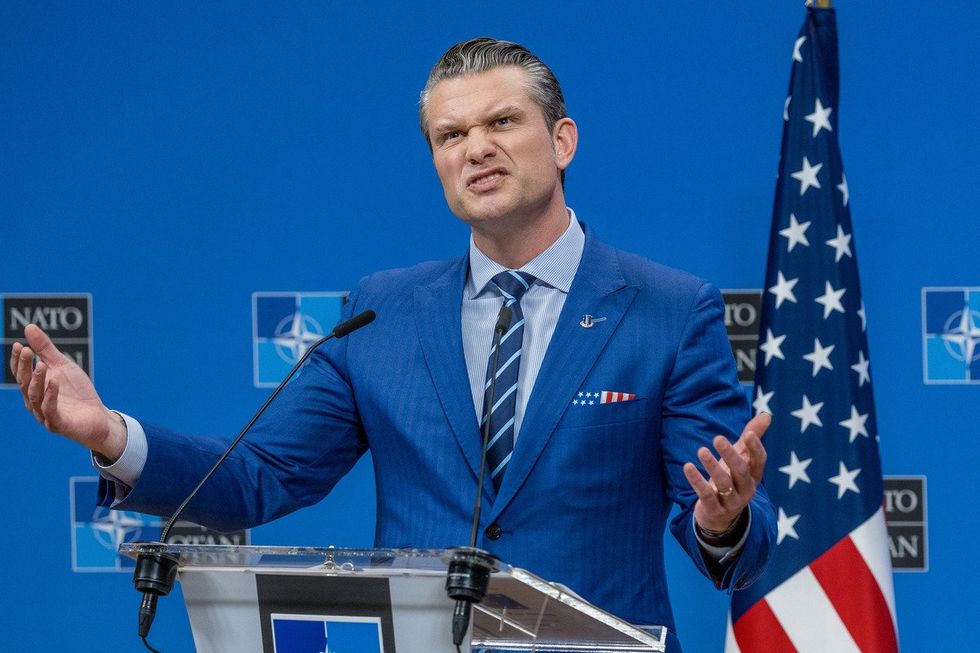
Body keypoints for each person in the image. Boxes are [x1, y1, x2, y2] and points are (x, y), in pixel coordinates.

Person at [11, 38, 776, 650]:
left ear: (563, 139)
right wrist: (109, 433)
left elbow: (722, 521)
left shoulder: (669, 311)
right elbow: (256, 476)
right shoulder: (384, 310)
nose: (476, 147)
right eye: (451, 135)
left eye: (501, 122)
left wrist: (722, 519)